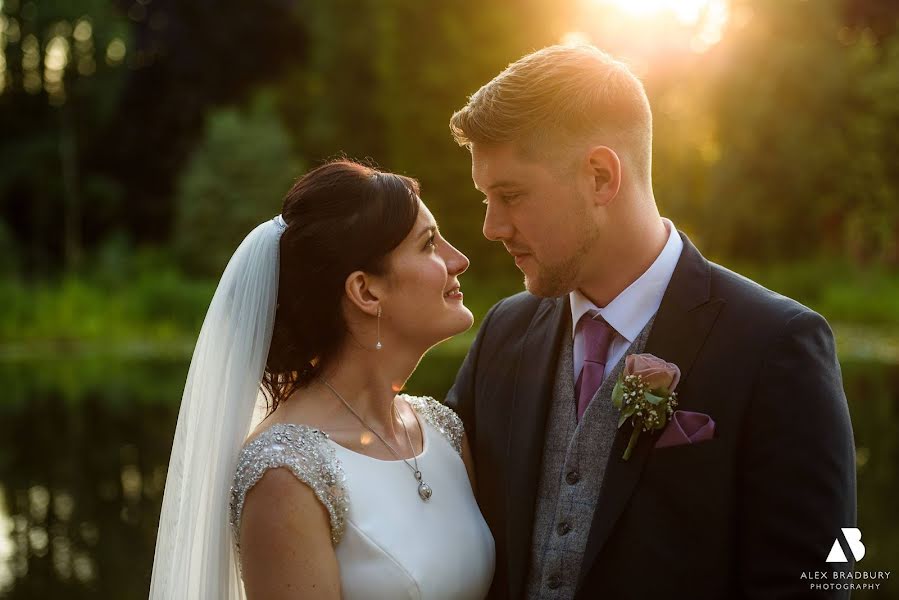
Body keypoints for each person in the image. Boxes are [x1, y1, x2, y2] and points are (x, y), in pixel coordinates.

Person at [446, 44, 856, 599]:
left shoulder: (775, 345)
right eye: (485, 198)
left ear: (599, 176)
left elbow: (819, 582)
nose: (492, 227)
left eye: (511, 196)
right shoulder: (504, 333)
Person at [149, 160, 495, 599]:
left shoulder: (443, 432)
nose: (459, 259)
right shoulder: (285, 474)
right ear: (366, 291)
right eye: (429, 245)